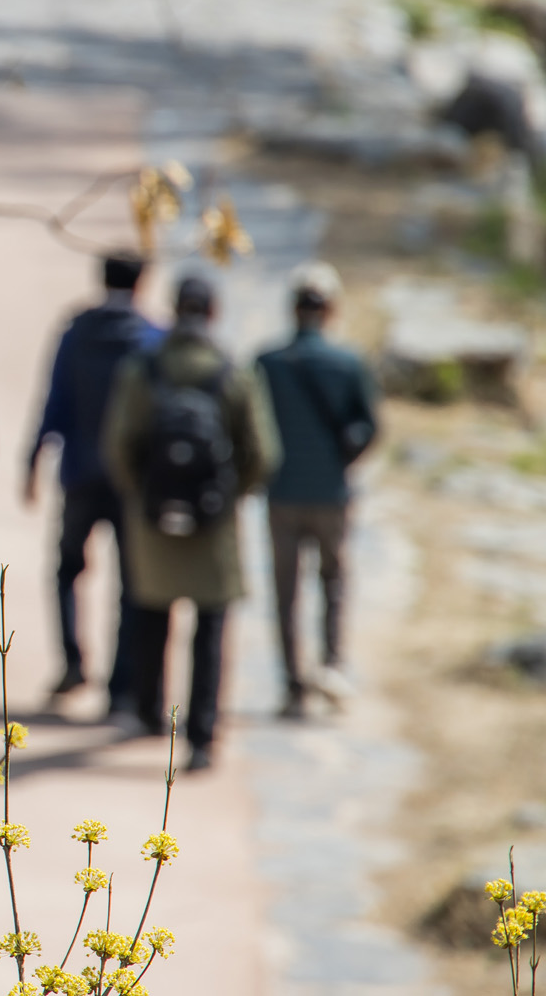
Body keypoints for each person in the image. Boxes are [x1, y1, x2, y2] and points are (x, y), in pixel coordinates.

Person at [102, 275, 279, 772]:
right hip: (213, 525)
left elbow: (118, 446)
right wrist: (228, 496)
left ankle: (147, 710)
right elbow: (263, 453)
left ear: (174, 310)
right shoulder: (232, 373)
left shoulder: (143, 369)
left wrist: (143, 497)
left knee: (150, 617)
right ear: (214, 312)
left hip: (154, 520)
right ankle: (201, 736)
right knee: (210, 631)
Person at [24, 252, 163, 709]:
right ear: (141, 282)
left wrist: (33, 460)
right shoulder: (151, 338)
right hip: (131, 480)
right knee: (131, 581)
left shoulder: (76, 331)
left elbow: (55, 398)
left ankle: (72, 662)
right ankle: (120, 685)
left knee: (66, 570)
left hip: (79, 471)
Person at [255, 262, 379, 718]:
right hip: (331, 494)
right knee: (334, 583)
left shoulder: (266, 364)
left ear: (293, 309)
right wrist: (342, 463)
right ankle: (332, 665)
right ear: (331, 309)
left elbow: (251, 430)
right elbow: (369, 426)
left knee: (286, 592)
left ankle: (292, 685)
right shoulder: (347, 364)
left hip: (282, 493)